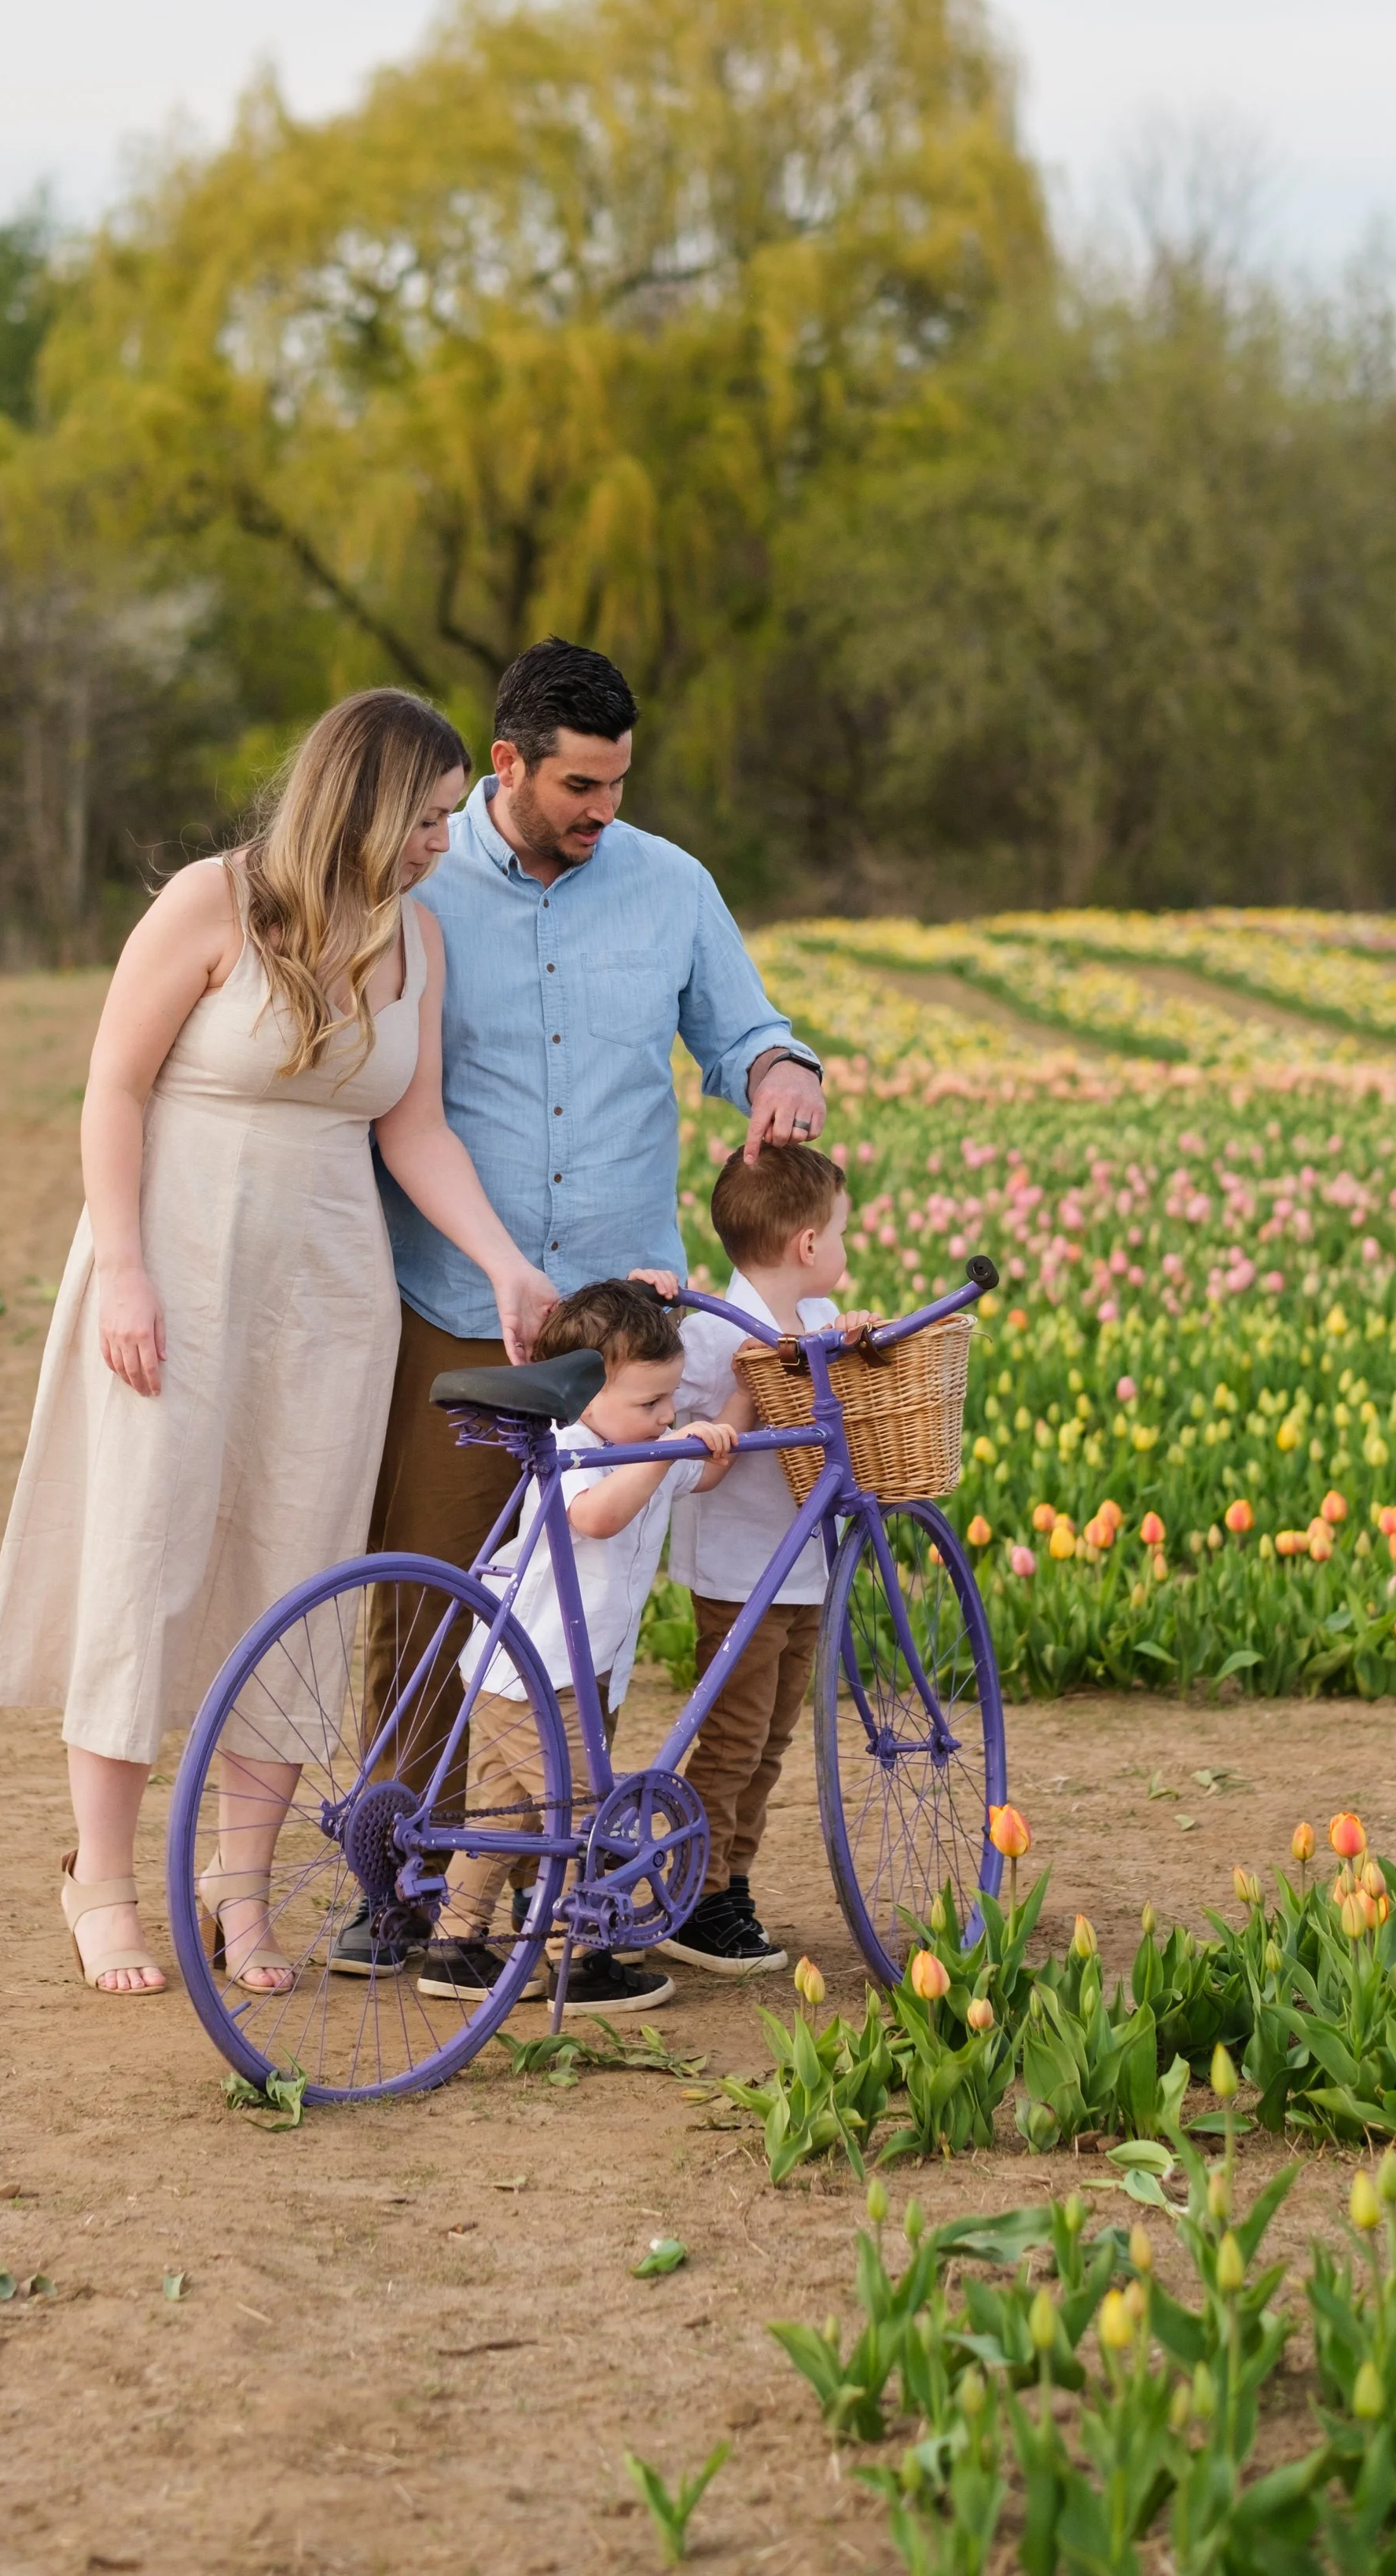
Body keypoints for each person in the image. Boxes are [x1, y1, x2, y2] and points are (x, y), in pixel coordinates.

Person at [0, 690, 558, 1996]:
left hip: (325, 1298)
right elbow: (113, 1087)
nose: (440, 847)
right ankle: (105, 1884)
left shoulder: (416, 943)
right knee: (149, 1557)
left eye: (452, 821)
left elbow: (414, 1133)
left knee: (295, 1573)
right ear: (358, 799)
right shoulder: (210, 902)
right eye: (425, 818)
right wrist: (123, 1270)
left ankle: (243, 1894)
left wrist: (505, 1263)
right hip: (173, 1274)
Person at [342, 638, 827, 1971]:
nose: (602, 811)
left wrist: (786, 1075)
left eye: (616, 785)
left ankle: (547, 1884)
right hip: (460, 1292)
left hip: (624, 1322)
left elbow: (746, 1033)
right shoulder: (425, 887)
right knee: (441, 1596)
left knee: (585, 1602)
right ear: (507, 763)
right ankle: (414, 1888)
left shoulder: (672, 887)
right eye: (578, 786)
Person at [416, 1280, 744, 2017]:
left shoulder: (647, 1442)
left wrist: (739, 1403)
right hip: (538, 1672)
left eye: (669, 1400)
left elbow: (714, 1465)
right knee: (584, 1816)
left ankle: (455, 1944)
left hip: (536, 1669)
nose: (665, 1415)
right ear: (587, 1400)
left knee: (504, 1820)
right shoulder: (572, 1448)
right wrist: (667, 1449)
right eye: (648, 1403)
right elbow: (596, 1517)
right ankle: (580, 1956)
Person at [656, 1143, 872, 1976]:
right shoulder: (713, 1335)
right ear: (807, 1246)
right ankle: (698, 1895)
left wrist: (860, 1344)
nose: (847, 1247)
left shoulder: (820, 1323)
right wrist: (748, 1391)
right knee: (733, 1741)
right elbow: (694, 1467)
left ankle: (731, 1881)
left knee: (772, 1739)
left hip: (805, 1570)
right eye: (843, 1232)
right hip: (739, 1575)